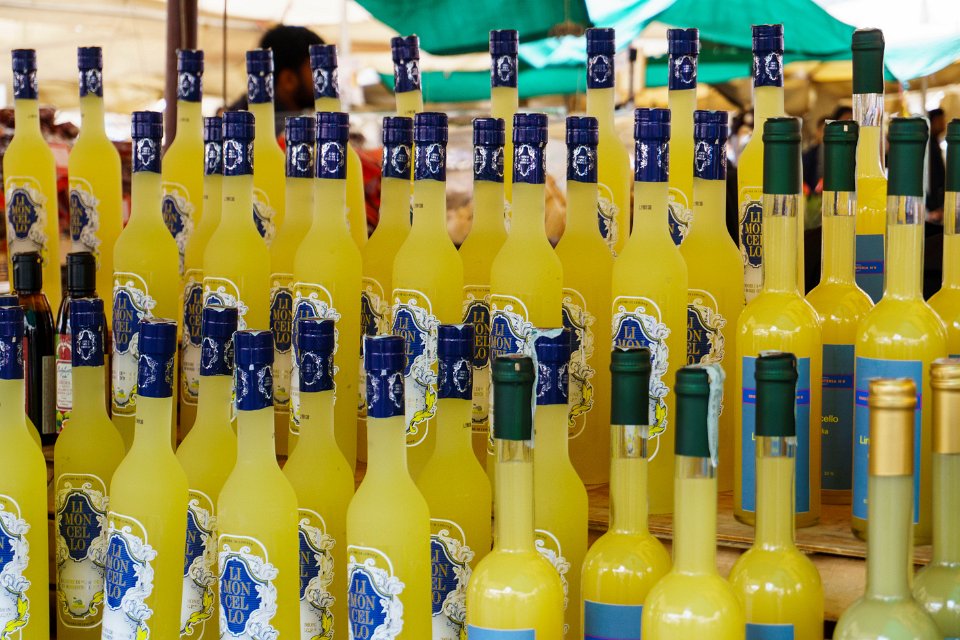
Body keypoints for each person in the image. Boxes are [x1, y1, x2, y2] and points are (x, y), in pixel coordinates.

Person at [227, 24, 323, 133]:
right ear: (288, 80)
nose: (324, 80)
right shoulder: (265, 132)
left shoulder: (237, 119)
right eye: (317, 71)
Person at [927, 107, 946, 220]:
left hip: (937, 204)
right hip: (932, 207)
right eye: (941, 120)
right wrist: (933, 206)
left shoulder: (935, 143)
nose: (944, 124)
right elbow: (930, 177)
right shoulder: (929, 146)